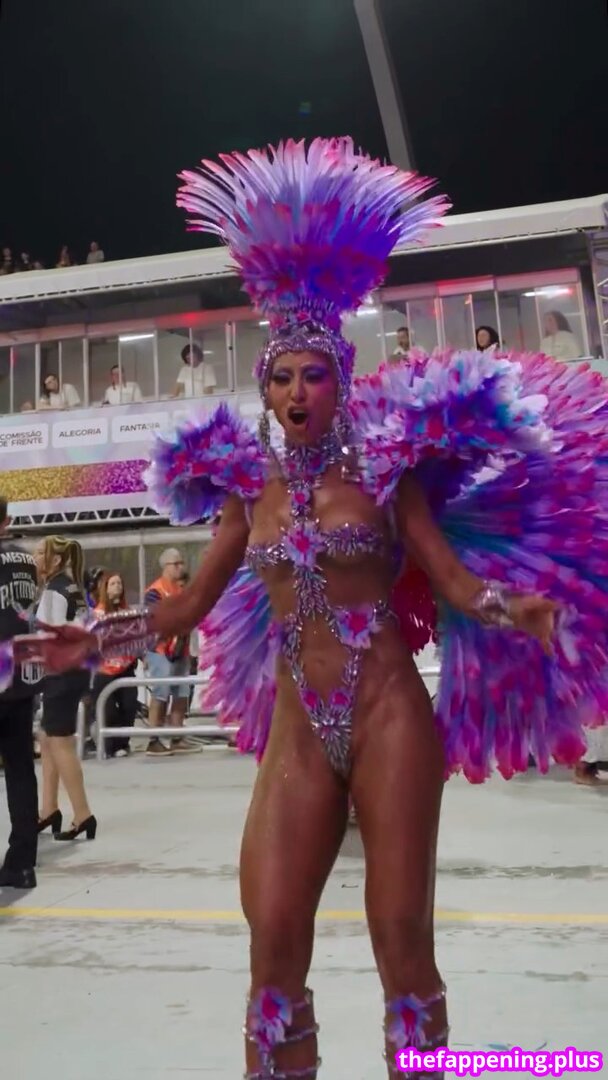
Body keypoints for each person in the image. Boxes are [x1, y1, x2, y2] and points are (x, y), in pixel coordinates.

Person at [22, 139, 608, 1079]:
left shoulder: (385, 473)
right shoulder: (244, 488)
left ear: (341, 378)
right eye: (282, 377)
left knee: (401, 941)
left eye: (315, 375)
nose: (298, 392)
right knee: (273, 941)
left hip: (389, 719)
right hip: (300, 731)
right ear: (266, 387)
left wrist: (518, 610)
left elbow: (455, 585)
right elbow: (184, 610)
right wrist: (94, 639)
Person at [33, 536, 96, 841]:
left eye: (40, 553)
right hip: (74, 671)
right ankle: (49, 809)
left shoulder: (54, 593)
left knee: (61, 742)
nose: (35, 558)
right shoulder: (72, 589)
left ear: (55, 560)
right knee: (47, 738)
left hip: (61, 674)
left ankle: (83, 815)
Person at [0, 497, 41, 889]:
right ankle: (22, 863)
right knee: (21, 770)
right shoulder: (26, 560)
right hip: (22, 674)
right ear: (6, 521)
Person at [142, 549, 199, 756]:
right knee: (160, 693)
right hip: (160, 650)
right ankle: (153, 740)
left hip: (181, 648)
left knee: (181, 693)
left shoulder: (183, 590)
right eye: (176, 564)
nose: (180, 567)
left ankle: (176, 737)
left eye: (181, 563)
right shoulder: (154, 591)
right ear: (165, 567)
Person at [91, 573, 137, 758]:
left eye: (119, 583)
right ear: (105, 588)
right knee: (108, 710)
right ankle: (108, 745)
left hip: (126, 667)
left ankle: (122, 744)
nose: (117, 586)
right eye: (113, 584)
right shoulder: (97, 614)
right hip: (103, 670)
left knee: (130, 706)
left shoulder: (129, 612)